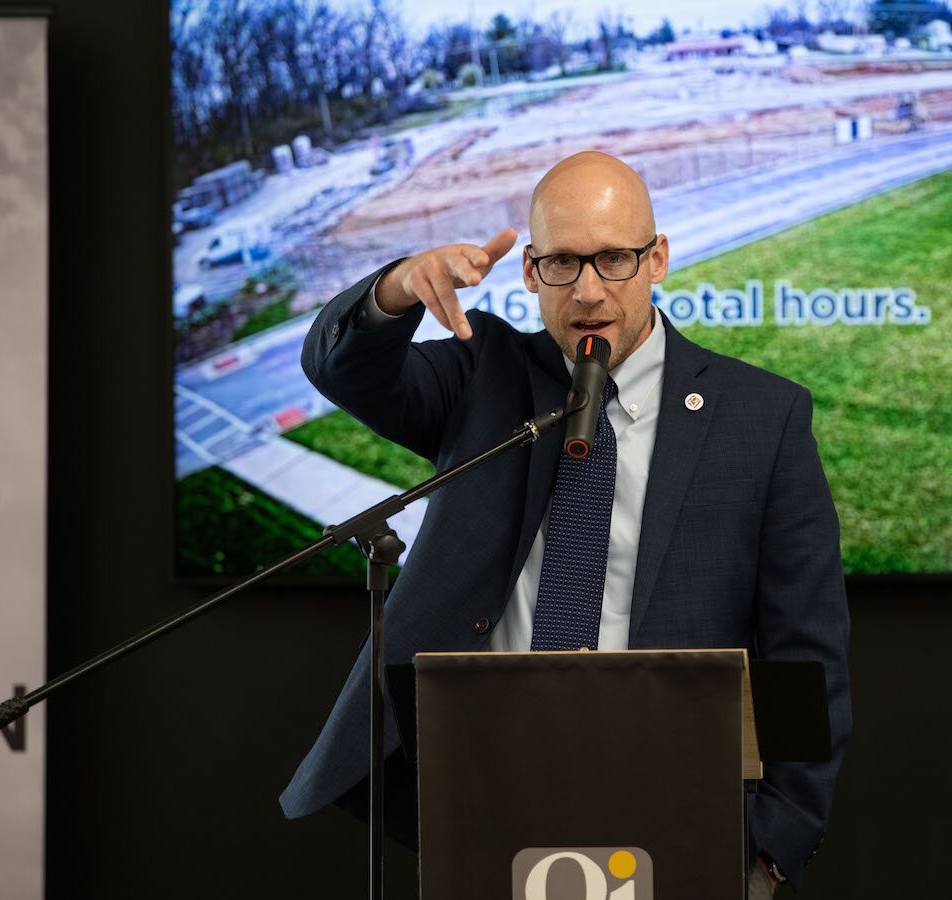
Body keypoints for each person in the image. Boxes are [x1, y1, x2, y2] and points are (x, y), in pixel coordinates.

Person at [279, 151, 851, 896]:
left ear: (657, 259)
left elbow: (807, 652)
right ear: (530, 271)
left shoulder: (763, 418)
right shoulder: (483, 376)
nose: (588, 290)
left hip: (679, 809)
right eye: (562, 264)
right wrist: (394, 290)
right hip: (484, 796)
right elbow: (343, 369)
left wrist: (770, 854)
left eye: (614, 259)